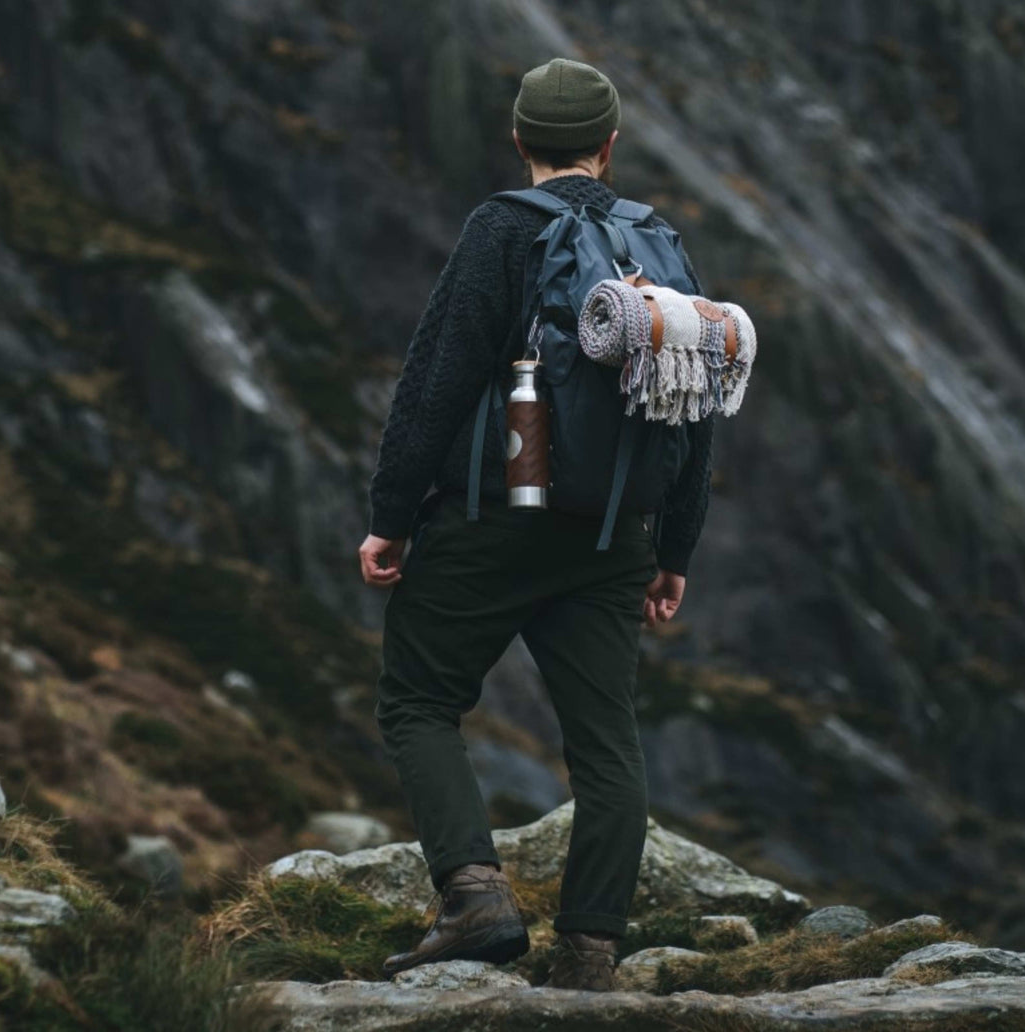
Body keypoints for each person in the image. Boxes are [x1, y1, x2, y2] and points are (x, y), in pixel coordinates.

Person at [358, 58, 713, 990]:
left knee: (419, 701)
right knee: (605, 744)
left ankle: (474, 898)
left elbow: (436, 381)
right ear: (609, 145)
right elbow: (694, 402)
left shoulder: (500, 231)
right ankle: (589, 952)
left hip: (490, 520)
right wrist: (671, 547)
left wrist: (390, 517)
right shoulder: (655, 239)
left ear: (519, 141)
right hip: (612, 539)